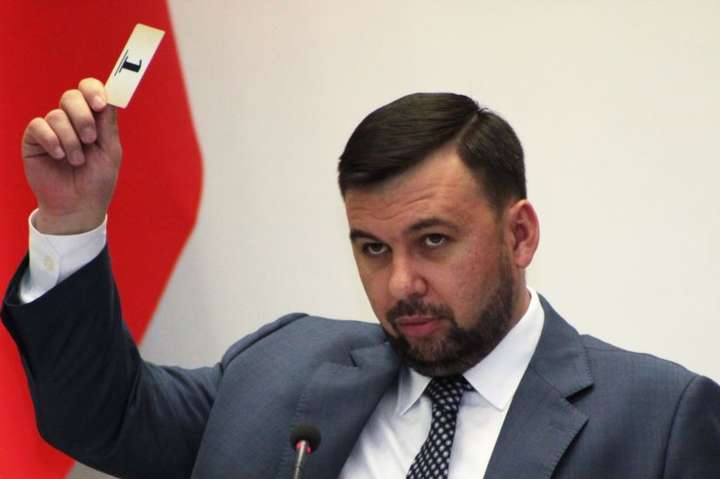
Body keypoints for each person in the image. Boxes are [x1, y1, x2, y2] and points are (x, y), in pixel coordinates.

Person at [2, 78, 719, 479]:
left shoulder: (659, 421)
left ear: (519, 235)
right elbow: (101, 415)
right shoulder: (284, 369)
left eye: (433, 241)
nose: (400, 282)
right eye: (373, 248)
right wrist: (71, 220)